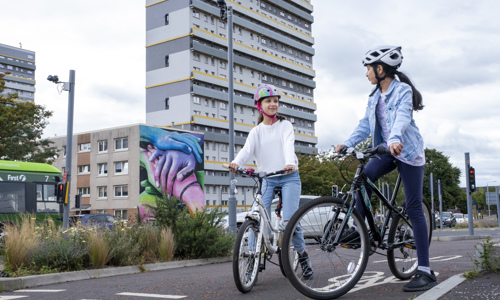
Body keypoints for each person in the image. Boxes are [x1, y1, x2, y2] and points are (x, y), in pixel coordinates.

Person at [335, 45, 437, 292]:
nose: (366, 73)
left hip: (407, 150)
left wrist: (394, 138)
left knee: (413, 207)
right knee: (364, 176)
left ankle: (424, 270)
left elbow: (403, 116)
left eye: (368, 68)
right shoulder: (373, 97)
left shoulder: (402, 90)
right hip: (384, 149)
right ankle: (361, 229)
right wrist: (347, 143)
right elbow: (365, 125)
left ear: (380, 69)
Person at [228, 84, 313, 278]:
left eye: (275, 101)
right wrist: (235, 163)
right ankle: (251, 259)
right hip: (267, 178)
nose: (273, 104)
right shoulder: (256, 132)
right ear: (259, 105)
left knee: (289, 220)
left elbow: (288, 145)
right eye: (268, 101)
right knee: (255, 216)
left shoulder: (285, 125)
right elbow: (246, 151)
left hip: (289, 176)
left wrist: (290, 163)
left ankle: (302, 256)